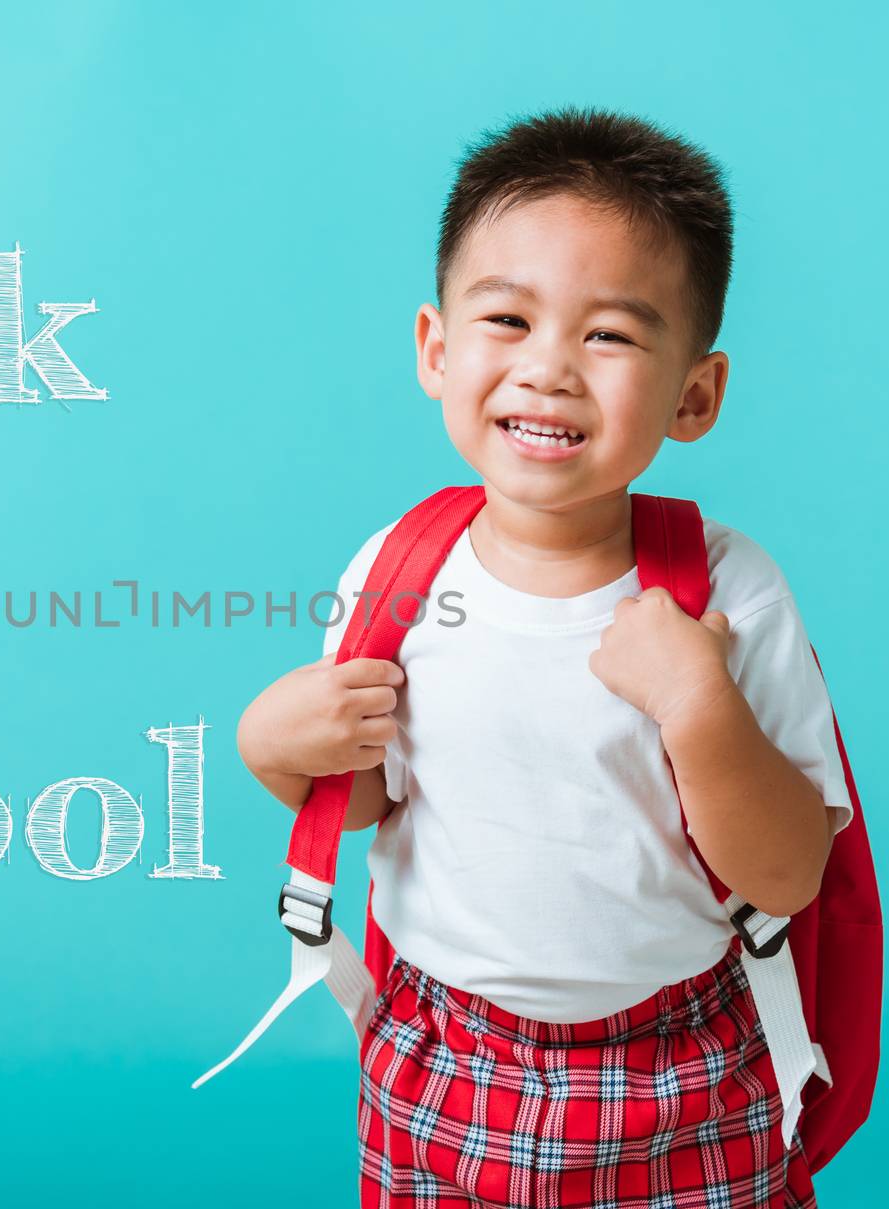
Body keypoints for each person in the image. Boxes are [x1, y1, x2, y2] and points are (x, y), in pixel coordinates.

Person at [235, 106, 853, 1208]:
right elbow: (373, 793)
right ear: (436, 349)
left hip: (684, 1061)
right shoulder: (398, 569)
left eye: (609, 335)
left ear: (693, 396)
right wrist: (274, 750)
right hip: (443, 1053)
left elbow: (786, 874)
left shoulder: (726, 591)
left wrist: (697, 703)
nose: (550, 370)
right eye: (508, 320)